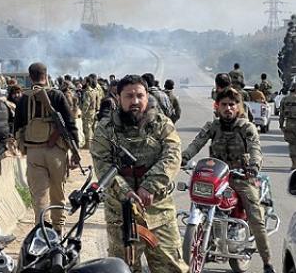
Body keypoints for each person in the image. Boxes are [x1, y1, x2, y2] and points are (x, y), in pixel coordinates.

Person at [91, 75, 188, 273]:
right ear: (118, 98)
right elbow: (102, 165)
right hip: (121, 215)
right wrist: (126, 192)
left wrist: (149, 186)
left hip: (159, 212)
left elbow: (172, 156)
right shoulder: (105, 129)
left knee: (171, 268)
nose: (135, 101)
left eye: (139, 96)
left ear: (147, 96)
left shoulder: (162, 124)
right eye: (129, 96)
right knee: (123, 268)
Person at [182, 88, 275, 273]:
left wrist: (254, 166)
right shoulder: (212, 126)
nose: (228, 108)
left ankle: (267, 262)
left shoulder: (246, 127)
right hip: (217, 177)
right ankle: (206, 239)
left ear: (238, 106)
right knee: (199, 202)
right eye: (224, 104)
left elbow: (255, 148)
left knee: (256, 217)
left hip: (242, 178)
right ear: (217, 106)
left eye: (232, 104)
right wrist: (183, 157)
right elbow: (196, 143)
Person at [14, 62, 80, 235]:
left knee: (39, 195)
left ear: (30, 77)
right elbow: (70, 124)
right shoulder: (57, 95)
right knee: (58, 192)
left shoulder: (24, 98)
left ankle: (42, 231)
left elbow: (16, 127)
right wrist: (75, 151)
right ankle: (58, 229)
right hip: (56, 152)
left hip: (33, 152)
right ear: (46, 75)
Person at [280, 82, 296, 170]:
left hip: (289, 123)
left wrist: (281, 125)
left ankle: (294, 164)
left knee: (292, 145)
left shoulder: (285, 99)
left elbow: (281, 114)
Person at [81, 76, 98, 149]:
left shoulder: (87, 92)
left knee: (87, 128)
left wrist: (82, 113)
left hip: (87, 113)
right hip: (92, 112)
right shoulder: (94, 91)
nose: (83, 82)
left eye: (84, 81)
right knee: (91, 127)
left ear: (87, 83)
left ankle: (88, 145)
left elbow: (86, 104)